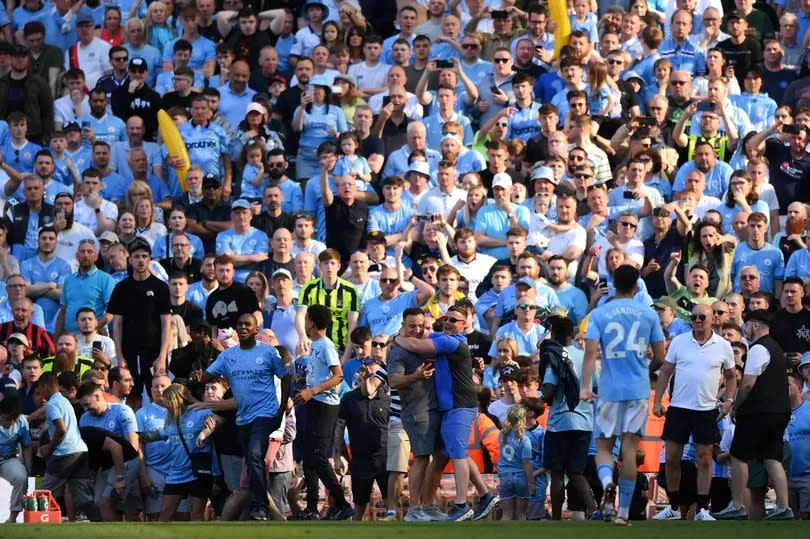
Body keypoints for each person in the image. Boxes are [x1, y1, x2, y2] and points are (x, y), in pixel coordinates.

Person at [580, 265, 666, 526]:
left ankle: (607, 483)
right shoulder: (649, 315)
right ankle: (624, 512)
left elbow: (589, 353)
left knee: (604, 447)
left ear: (614, 284)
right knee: (630, 449)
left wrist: (585, 386)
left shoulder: (600, 314)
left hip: (609, 389)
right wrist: (645, 369)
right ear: (637, 286)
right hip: (638, 389)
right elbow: (661, 357)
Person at [393, 304, 480, 521]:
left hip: (440, 409)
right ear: (402, 326)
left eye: (421, 326)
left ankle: (430, 505)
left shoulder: (439, 341)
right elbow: (393, 381)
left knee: (444, 456)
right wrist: (415, 376)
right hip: (418, 411)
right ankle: (415, 509)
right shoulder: (400, 349)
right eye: (411, 326)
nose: (417, 330)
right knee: (422, 458)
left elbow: (418, 343)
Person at [652, 303, 736, 521]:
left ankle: (702, 509)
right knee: (671, 458)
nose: (698, 321)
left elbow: (731, 376)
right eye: (694, 317)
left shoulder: (723, 345)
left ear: (711, 319)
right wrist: (658, 400)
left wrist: (729, 400)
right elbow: (665, 373)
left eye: (702, 317)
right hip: (679, 407)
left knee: (705, 459)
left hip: (706, 408)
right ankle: (673, 506)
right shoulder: (679, 341)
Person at [204, 312, 290, 521]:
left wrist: (280, 411)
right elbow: (208, 375)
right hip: (243, 418)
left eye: (247, 324)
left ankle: (260, 507)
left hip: (266, 414)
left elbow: (287, 378)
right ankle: (267, 514)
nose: (242, 327)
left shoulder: (268, 352)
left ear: (255, 330)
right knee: (252, 462)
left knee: (253, 454)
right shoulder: (229, 355)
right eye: (239, 324)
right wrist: (198, 376)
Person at [714, 309, 794, 520]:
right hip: (779, 412)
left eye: (747, 324)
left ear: (755, 325)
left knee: (739, 455)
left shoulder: (759, 348)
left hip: (758, 412)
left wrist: (735, 405)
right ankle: (784, 507)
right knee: (771, 458)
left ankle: (737, 504)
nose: (745, 328)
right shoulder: (776, 347)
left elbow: (748, 384)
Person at [293, 304, 353, 520]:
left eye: (306, 319)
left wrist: (312, 391)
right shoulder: (315, 345)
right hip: (313, 403)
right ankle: (311, 508)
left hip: (325, 405)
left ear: (311, 322)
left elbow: (338, 376)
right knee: (310, 457)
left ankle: (342, 503)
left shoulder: (326, 345)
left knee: (317, 455)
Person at [539, 311, 596, 520]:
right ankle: (595, 510)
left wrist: (541, 396)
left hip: (560, 421)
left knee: (556, 472)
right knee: (575, 472)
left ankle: (555, 519)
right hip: (585, 422)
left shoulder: (555, 355)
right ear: (572, 333)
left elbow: (549, 389)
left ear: (553, 334)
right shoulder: (584, 356)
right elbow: (595, 384)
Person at [107, 238, 171, 400]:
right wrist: (120, 355)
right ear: (130, 259)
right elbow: (117, 324)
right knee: (131, 395)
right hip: (129, 352)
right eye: (136, 256)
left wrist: (162, 356)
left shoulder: (161, 287)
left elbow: (166, 324)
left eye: (144, 256)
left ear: (149, 258)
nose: (140, 260)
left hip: (154, 352)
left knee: (159, 394)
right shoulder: (121, 288)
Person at [36, 372, 102, 521]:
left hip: (65, 453)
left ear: (46, 386)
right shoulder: (64, 400)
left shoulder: (52, 403)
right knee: (82, 498)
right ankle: (101, 525)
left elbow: (61, 428)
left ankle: (34, 527)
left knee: (42, 493)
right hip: (80, 451)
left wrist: (50, 447)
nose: (40, 394)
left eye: (40, 389)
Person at [334, 354, 389, 520]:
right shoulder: (350, 398)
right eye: (366, 373)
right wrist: (339, 455)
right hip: (360, 459)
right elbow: (338, 427)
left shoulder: (387, 399)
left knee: (391, 505)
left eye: (374, 375)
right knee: (359, 506)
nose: (370, 378)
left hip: (385, 457)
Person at [0, 394, 32, 524]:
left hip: (8, 459)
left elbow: (27, 446)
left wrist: (28, 467)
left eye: (14, 419)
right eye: (7, 419)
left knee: (21, 477)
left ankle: (12, 519)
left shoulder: (22, 421)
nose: (11, 423)